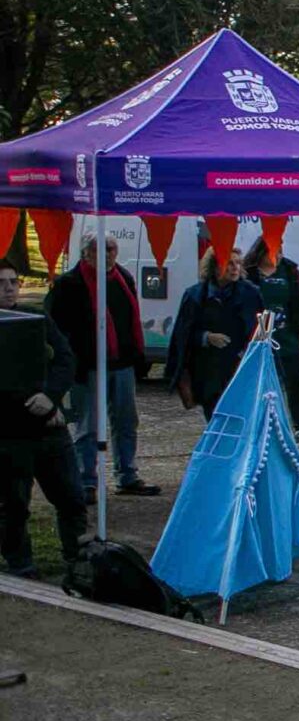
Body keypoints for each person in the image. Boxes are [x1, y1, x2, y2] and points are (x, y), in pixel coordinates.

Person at [46, 239, 156, 501]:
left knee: (126, 421)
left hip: (122, 364)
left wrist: (136, 356)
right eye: (99, 249)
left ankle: (127, 474)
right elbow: (56, 329)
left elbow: (131, 319)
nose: (106, 254)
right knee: (89, 426)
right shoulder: (68, 284)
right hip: (88, 366)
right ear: (86, 253)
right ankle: (86, 481)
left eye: (111, 249)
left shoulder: (123, 278)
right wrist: (70, 361)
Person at [0, 264, 83, 579]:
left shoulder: (36, 319)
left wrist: (51, 397)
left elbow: (65, 358)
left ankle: (77, 558)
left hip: (48, 428)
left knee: (72, 497)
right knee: (13, 504)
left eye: (14, 282)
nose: (10, 288)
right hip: (8, 434)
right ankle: (20, 563)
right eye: (2, 283)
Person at [239, 235, 299, 442]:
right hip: (262, 331)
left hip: (287, 332)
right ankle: (264, 426)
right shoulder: (251, 275)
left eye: (280, 250)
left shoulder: (289, 271)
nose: (278, 254)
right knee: (265, 382)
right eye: (274, 250)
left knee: (294, 382)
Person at [169, 248, 260, 420]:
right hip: (209, 373)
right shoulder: (195, 295)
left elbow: (259, 330)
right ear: (215, 266)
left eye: (238, 263)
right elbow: (182, 335)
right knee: (215, 420)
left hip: (240, 370)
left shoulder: (250, 294)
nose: (235, 268)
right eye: (229, 263)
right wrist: (206, 337)